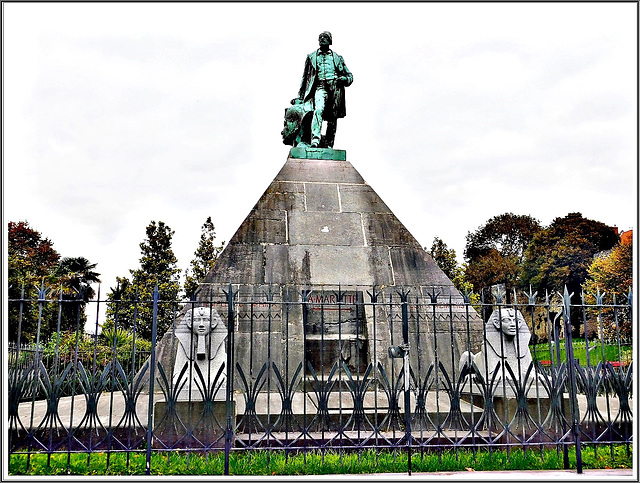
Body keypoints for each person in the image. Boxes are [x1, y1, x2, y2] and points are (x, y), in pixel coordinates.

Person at [292, 31, 353, 148]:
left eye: (325, 37)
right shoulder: (311, 57)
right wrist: (300, 97)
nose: (322, 39)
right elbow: (305, 79)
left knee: (332, 117)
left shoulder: (338, 58)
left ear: (330, 41)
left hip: (335, 88)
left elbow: (350, 76)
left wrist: (344, 79)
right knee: (318, 110)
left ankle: (330, 143)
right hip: (320, 87)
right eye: (320, 37)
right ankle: (315, 139)